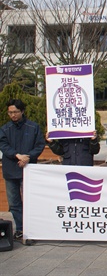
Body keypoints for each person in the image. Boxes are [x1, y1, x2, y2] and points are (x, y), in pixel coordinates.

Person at [0, 99, 45, 240]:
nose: (13, 115)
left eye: (15, 112)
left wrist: (28, 157)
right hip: (11, 169)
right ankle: (20, 229)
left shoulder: (33, 127)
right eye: (10, 112)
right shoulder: (5, 129)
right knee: (14, 202)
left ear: (22, 111)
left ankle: (32, 229)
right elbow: (3, 145)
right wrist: (16, 155)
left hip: (28, 169)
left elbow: (39, 145)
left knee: (29, 200)